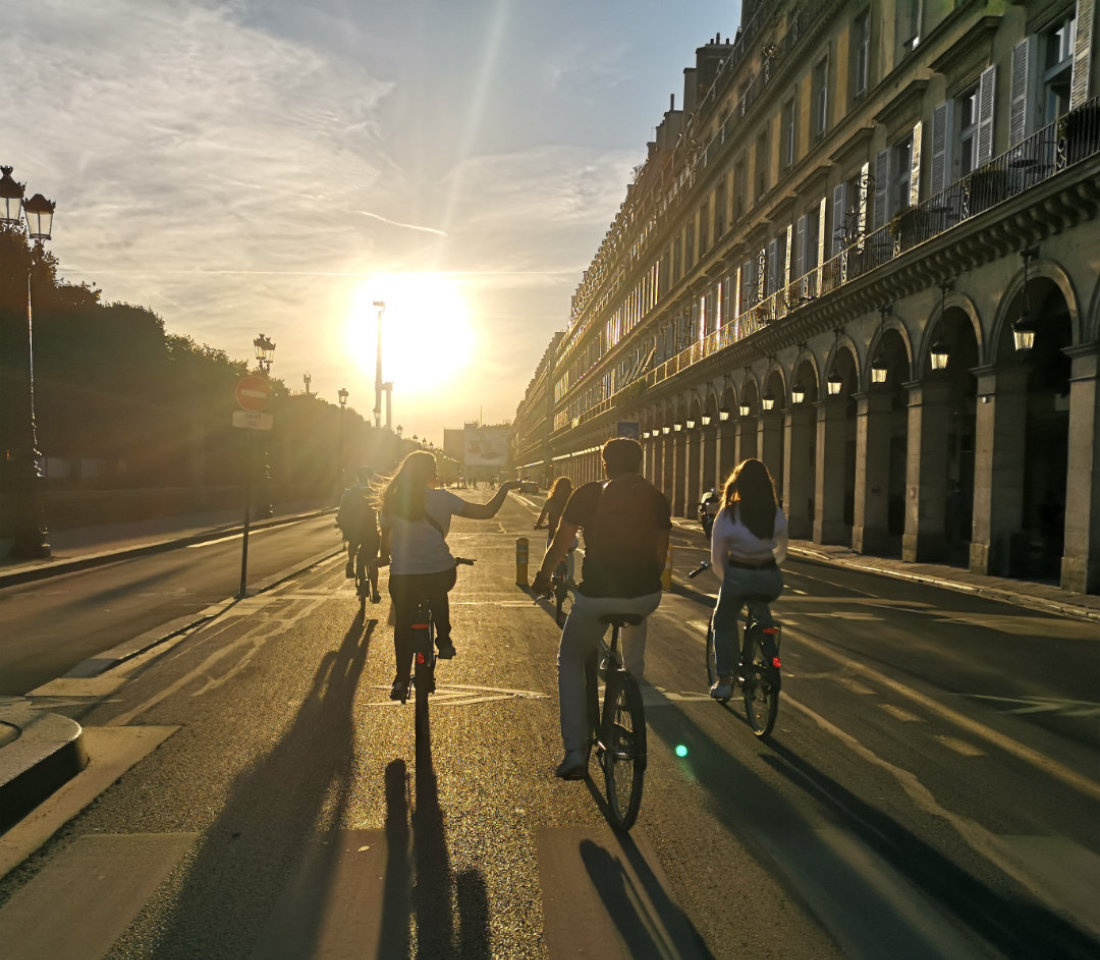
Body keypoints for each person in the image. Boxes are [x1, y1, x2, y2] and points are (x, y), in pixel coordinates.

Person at [533, 438, 671, 780]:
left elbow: (561, 544)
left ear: (605, 463)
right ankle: (632, 682)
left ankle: (575, 751)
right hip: (645, 595)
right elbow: (660, 552)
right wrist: (646, 585)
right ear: (639, 464)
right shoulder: (655, 497)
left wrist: (543, 577)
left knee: (570, 659)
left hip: (598, 597)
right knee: (637, 614)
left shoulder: (588, 493)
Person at [378, 450, 520, 701]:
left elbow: (386, 546)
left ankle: (400, 678)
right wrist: (505, 487)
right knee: (438, 588)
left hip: (403, 577)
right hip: (439, 572)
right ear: (431, 474)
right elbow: (487, 512)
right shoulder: (443, 498)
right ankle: (443, 640)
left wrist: (389, 554)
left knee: (402, 622)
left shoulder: (391, 499)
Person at [708, 458, 788, 701]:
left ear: (738, 483)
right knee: (764, 617)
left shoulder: (728, 514)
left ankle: (724, 680)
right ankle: (772, 661)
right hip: (770, 578)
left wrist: (727, 580)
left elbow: (717, 556)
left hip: (739, 576)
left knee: (723, 621)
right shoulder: (774, 512)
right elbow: (782, 550)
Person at [336, 467, 381, 602]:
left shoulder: (348, 493)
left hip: (354, 531)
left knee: (353, 544)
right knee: (373, 560)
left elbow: (341, 513)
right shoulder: (373, 492)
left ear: (357, 478)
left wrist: (343, 526)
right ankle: (375, 590)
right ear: (369, 478)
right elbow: (381, 513)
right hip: (370, 531)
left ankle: (350, 562)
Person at [535, 476, 576, 583]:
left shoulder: (549, 502)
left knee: (549, 555)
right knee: (570, 552)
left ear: (556, 487)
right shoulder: (571, 501)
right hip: (569, 539)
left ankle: (546, 579)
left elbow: (541, 517)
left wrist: (539, 525)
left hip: (552, 538)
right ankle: (570, 578)